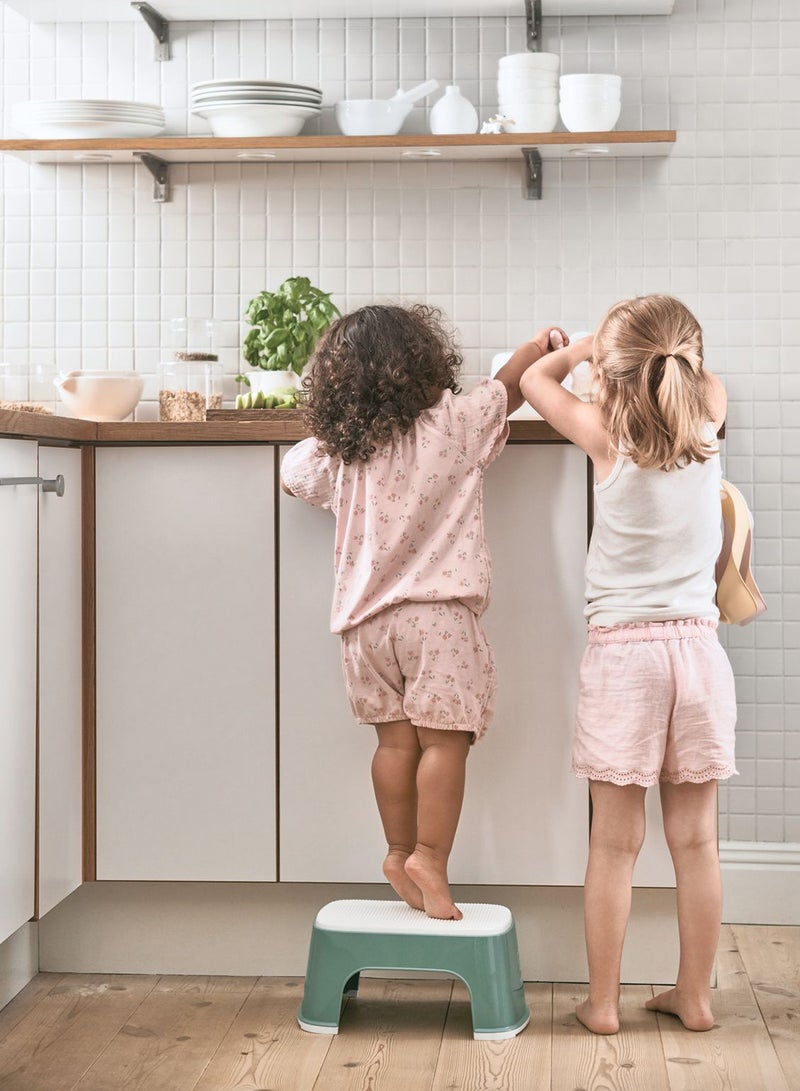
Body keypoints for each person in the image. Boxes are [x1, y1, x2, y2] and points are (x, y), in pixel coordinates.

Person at [281, 303, 567, 920]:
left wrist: (337, 430)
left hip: (364, 628)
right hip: (436, 618)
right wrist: (539, 342)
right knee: (445, 743)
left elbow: (291, 472)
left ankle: (397, 849)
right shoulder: (455, 423)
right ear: (427, 364)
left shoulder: (341, 452)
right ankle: (430, 858)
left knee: (395, 744)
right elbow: (510, 386)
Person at [519, 294, 736, 1034]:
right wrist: (618, 361)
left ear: (611, 375)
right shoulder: (709, 408)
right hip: (700, 654)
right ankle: (696, 996)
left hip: (626, 658)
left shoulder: (601, 431)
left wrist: (576, 349)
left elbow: (531, 384)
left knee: (615, 842)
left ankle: (604, 1004)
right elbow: (688, 377)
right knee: (697, 839)